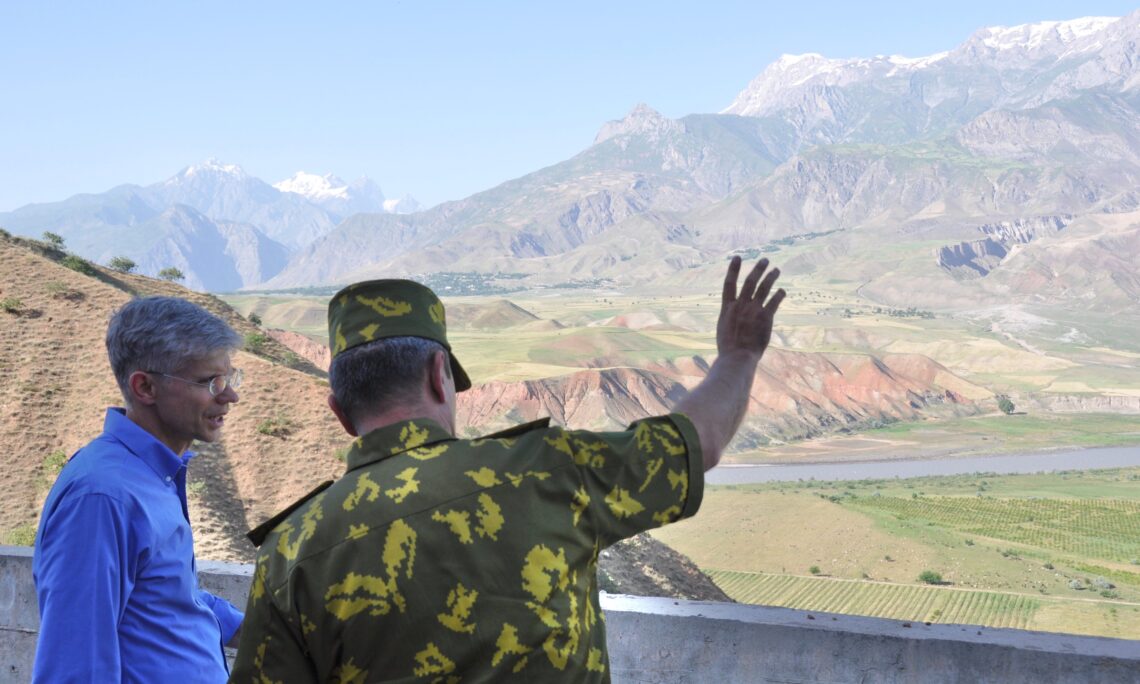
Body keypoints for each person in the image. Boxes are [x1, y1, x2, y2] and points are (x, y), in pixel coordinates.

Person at [229, 256, 785, 683]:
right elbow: (696, 443)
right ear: (437, 373)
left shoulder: (291, 551)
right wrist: (739, 354)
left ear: (340, 411)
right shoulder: (547, 471)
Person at [33, 296, 245, 682]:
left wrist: (262, 630)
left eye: (230, 378)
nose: (229, 396)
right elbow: (76, 664)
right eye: (210, 382)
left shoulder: (152, 476)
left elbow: (168, 598)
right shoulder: (101, 497)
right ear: (145, 387)